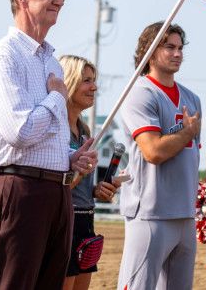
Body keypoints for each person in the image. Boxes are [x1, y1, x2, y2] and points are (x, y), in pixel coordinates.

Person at [0, 0, 99, 290]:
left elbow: (38, 135)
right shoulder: (2, 57)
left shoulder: (51, 62)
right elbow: (20, 131)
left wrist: (68, 161)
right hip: (19, 189)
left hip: (57, 192)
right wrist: (58, 98)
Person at [117, 22, 202, 290]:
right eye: (169, 47)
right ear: (150, 52)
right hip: (151, 213)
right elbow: (153, 151)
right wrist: (186, 133)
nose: (177, 54)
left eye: (180, 48)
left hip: (185, 212)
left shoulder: (192, 98)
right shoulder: (140, 92)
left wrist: (185, 136)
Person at [59, 55, 123, 290]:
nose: (94, 87)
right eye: (86, 80)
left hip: (86, 221)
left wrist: (98, 190)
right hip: (64, 220)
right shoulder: (56, 130)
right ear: (68, 82)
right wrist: (80, 174)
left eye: (93, 80)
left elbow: (80, 183)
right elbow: (58, 185)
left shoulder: (85, 131)